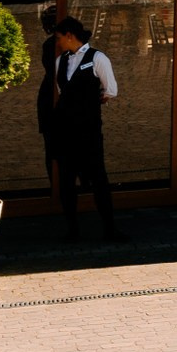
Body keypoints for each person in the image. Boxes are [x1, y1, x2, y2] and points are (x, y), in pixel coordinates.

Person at [49, 16, 123, 241]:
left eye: (60, 38)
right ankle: (72, 230)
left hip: (88, 129)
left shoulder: (98, 58)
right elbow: (62, 91)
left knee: (98, 178)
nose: (58, 42)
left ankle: (109, 229)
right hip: (64, 129)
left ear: (70, 36)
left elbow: (111, 89)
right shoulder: (60, 61)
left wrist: (90, 101)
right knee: (66, 180)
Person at [34, 4, 65, 193]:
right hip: (53, 98)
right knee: (54, 146)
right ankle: (59, 188)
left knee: (54, 146)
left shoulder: (52, 44)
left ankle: (59, 186)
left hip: (50, 97)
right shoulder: (53, 46)